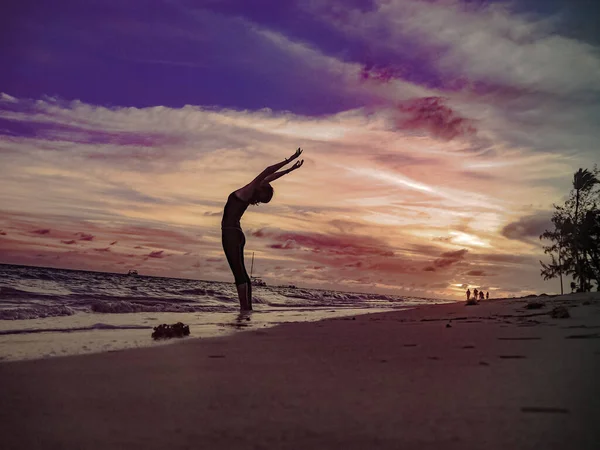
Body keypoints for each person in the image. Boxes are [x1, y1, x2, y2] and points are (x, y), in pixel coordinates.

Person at [221, 148, 304, 310]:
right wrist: (290, 170)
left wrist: (290, 160)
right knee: (242, 273)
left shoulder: (247, 191)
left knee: (239, 273)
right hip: (237, 235)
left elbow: (267, 171)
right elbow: (271, 176)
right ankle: (247, 308)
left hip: (230, 234)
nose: (266, 180)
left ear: (260, 188)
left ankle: (244, 308)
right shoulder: (248, 193)